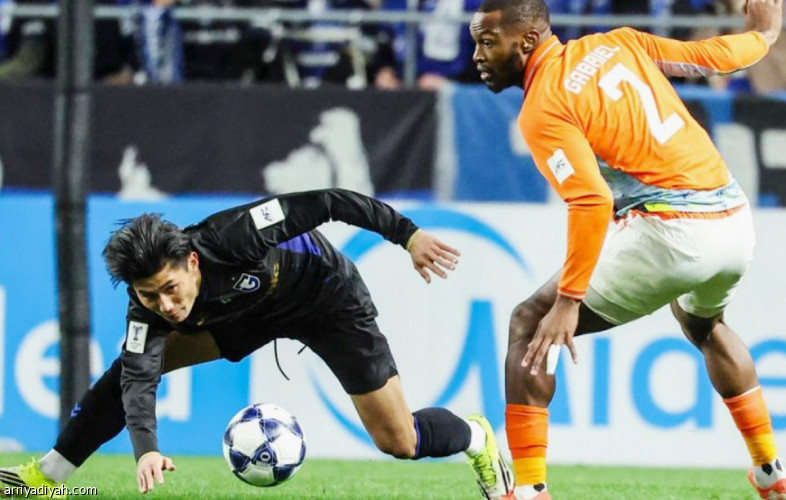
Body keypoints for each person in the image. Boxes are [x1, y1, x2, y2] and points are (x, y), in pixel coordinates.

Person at [0, 189, 513, 498]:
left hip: (325, 298)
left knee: (400, 442)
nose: (166, 306)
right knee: (128, 369)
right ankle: (45, 478)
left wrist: (408, 235)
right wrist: (147, 451)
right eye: (149, 296)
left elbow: (329, 202)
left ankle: (476, 438)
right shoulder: (147, 308)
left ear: (192, 263)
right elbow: (138, 381)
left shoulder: (234, 235)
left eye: (170, 289)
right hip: (244, 318)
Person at [468, 0, 784, 499]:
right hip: (734, 222)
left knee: (529, 323)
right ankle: (771, 472)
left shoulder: (544, 104)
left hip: (674, 233)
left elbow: (591, 201)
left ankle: (528, 491)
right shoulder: (617, 42)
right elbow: (706, 58)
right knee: (704, 325)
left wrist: (569, 301)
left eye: (487, 42)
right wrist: (763, 37)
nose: (477, 56)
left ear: (526, 41)